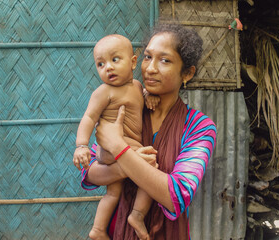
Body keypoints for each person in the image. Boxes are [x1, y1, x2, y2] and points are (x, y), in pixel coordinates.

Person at [81, 23, 217, 240]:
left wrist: (119, 148)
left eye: (165, 60)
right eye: (147, 57)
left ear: (187, 73)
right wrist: (126, 164)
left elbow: (176, 195)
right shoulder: (125, 108)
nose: (151, 68)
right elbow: (89, 172)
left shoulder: (199, 127)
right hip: (118, 231)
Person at [73, 34, 158, 240]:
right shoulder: (104, 92)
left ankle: (98, 230)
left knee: (112, 193)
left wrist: (149, 95)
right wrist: (81, 146)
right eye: (100, 64)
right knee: (150, 169)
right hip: (112, 149)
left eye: (114, 60)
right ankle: (137, 215)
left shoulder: (138, 86)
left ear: (133, 62)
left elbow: (143, 94)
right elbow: (89, 118)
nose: (108, 67)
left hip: (122, 149)